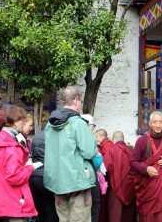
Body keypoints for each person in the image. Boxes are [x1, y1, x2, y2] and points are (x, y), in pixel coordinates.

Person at [44, 86, 98, 222]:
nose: (80, 104)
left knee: (64, 219)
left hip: (57, 181)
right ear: (75, 101)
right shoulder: (77, 123)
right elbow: (89, 152)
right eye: (80, 101)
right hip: (77, 180)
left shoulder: (50, 124)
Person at [130, 111, 162, 222]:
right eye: (155, 122)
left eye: (161, 122)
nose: (158, 125)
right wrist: (146, 169)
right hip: (147, 187)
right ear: (150, 123)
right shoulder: (142, 141)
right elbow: (133, 161)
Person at [0, 105, 42, 221]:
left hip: (0, 201)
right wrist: (30, 167)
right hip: (13, 202)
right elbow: (14, 177)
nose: (24, 123)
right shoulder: (11, 146)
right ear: (13, 121)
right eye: (22, 119)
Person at [104, 131, 137, 222]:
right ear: (123, 139)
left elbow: (105, 168)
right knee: (128, 215)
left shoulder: (111, 150)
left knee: (115, 213)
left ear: (114, 140)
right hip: (130, 188)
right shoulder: (132, 150)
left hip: (115, 188)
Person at [29, 130, 59, 222]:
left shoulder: (37, 135)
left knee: (40, 211)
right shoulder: (54, 134)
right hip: (47, 175)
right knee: (50, 211)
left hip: (34, 175)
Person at [81, 114, 102, 222]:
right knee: (94, 204)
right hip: (89, 176)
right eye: (93, 125)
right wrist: (100, 158)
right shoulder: (89, 138)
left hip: (77, 177)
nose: (93, 128)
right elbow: (95, 161)